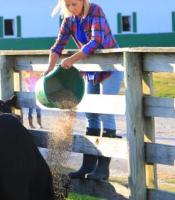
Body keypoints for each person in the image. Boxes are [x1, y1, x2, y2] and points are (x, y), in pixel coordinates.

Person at [45, 0, 124, 181]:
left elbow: (95, 41)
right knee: (90, 114)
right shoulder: (70, 19)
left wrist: (72, 60)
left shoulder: (96, 10)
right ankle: (88, 165)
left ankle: (103, 169)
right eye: (68, 6)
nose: (72, 8)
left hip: (112, 66)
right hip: (93, 69)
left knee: (105, 113)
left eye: (74, 4)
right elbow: (58, 45)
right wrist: (49, 68)